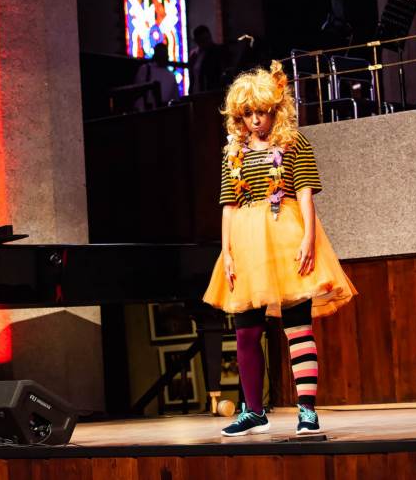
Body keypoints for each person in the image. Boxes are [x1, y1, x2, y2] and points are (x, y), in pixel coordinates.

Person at [202, 61, 356, 437]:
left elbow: (304, 194)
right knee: (245, 332)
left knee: (298, 328)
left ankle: (307, 410)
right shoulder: (234, 153)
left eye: (262, 112)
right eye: (248, 113)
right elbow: (228, 206)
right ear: (239, 116)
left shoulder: (293, 143)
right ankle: (254, 411)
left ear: (275, 110)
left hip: (285, 236)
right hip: (246, 245)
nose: (256, 120)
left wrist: (308, 239)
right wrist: (228, 253)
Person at [134, 42, 179, 110]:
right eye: (161, 54)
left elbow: (175, 98)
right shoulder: (145, 69)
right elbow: (138, 92)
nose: (163, 57)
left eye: (164, 54)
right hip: (146, 109)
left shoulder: (171, 76)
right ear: (155, 55)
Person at [189, 25, 225, 93]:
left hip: (210, 92)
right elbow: (193, 77)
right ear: (197, 41)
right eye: (202, 40)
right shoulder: (194, 55)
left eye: (207, 38)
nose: (207, 42)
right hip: (196, 92)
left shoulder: (217, 52)